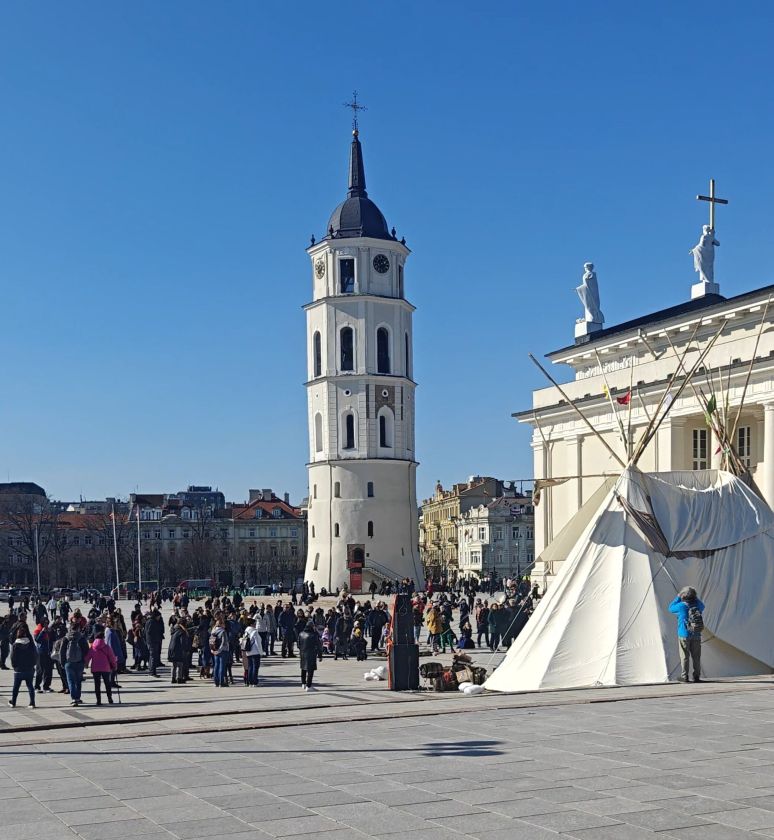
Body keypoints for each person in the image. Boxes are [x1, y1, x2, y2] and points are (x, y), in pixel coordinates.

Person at [669, 586, 705, 683]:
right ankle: (696, 676)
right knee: (696, 657)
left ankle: (685, 677)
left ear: (683, 596)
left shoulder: (681, 606)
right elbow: (703, 606)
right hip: (696, 634)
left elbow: (670, 607)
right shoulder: (697, 605)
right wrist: (695, 597)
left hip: (684, 634)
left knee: (684, 656)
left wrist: (678, 596)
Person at [8, 624, 38, 708]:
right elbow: (35, 655)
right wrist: (33, 664)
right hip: (29, 668)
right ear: (25, 634)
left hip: (18, 669)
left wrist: (14, 666)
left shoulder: (15, 645)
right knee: (30, 686)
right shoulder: (30, 644)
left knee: (16, 687)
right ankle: (32, 703)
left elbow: (13, 657)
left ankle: (13, 702)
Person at [61, 618, 89, 706]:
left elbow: (62, 651)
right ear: (78, 629)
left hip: (68, 662)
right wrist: (85, 661)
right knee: (78, 681)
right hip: (79, 662)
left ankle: (74, 698)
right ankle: (78, 697)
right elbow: (86, 650)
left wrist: (63, 662)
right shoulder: (81, 638)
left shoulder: (66, 638)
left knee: (71, 681)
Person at [85, 628, 117, 705]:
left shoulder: (92, 647)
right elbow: (112, 658)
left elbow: (87, 657)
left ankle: (98, 700)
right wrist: (114, 666)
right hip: (105, 668)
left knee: (97, 684)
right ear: (103, 638)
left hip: (95, 668)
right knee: (107, 683)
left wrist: (86, 665)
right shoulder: (106, 647)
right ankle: (110, 698)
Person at [297, 621, 322, 691]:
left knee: (303, 669)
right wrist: (320, 655)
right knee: (310, 671)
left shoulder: (301, 634)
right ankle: (309, 686)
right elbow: (319, 646)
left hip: (303, 654)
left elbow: (298, 645)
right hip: (311, 654)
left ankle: (303, 684)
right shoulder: (314, 635)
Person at [242, 618, 264, 686]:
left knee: (250, 667)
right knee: (255, 667)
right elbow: (258, 643)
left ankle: (250, 681)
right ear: (251, 624)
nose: (255, 625)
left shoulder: (246, 632)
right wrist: (261, 652)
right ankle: (254, 681)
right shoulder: (254, 632)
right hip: (255, 651)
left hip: (248, 651)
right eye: (255, 624)